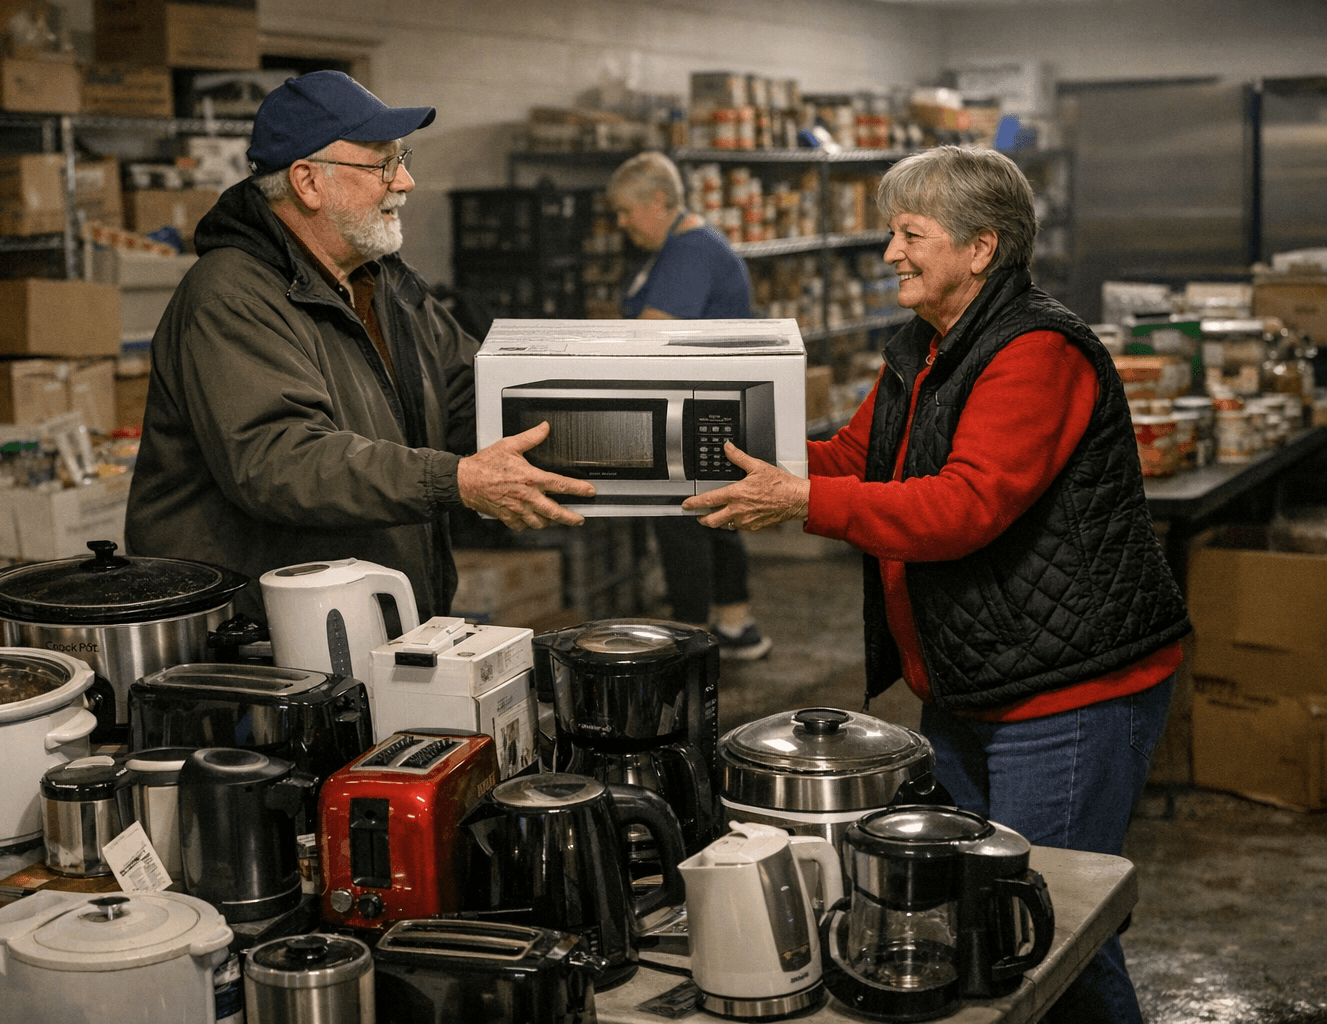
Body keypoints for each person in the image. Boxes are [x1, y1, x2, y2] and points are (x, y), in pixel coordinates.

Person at [683, 145, 1190, 1024]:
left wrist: (802, 501)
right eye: (891, 233)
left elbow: (963, 508)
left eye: (910, 234)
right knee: (985, 920)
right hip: (972, 677)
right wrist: (736, 461)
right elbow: (859, 458)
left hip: (1066, 693)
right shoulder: (929, 346)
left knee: (1049, 929)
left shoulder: (1036, 353)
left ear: (982, 248)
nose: (890, 254)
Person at [126, 72, 594, 624]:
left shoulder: (383, 282)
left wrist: (620, 437)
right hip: (265, 643)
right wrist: (456, 480)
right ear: (307, 182)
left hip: (365, 610)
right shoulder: (230, 296)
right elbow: (280, 461)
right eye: (382, 164)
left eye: (403, 159)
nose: (406, 183)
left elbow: (472, 392)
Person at [606, 151, 770, 659]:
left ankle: (690, 642)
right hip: (705, 410)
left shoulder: (689, 253)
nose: (621, 223)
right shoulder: (684, 245)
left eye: (626, 211)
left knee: (681, 521)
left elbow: (652, 334)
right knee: (713, 517)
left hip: (690, 412)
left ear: (658, 201)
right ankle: (736, 626)